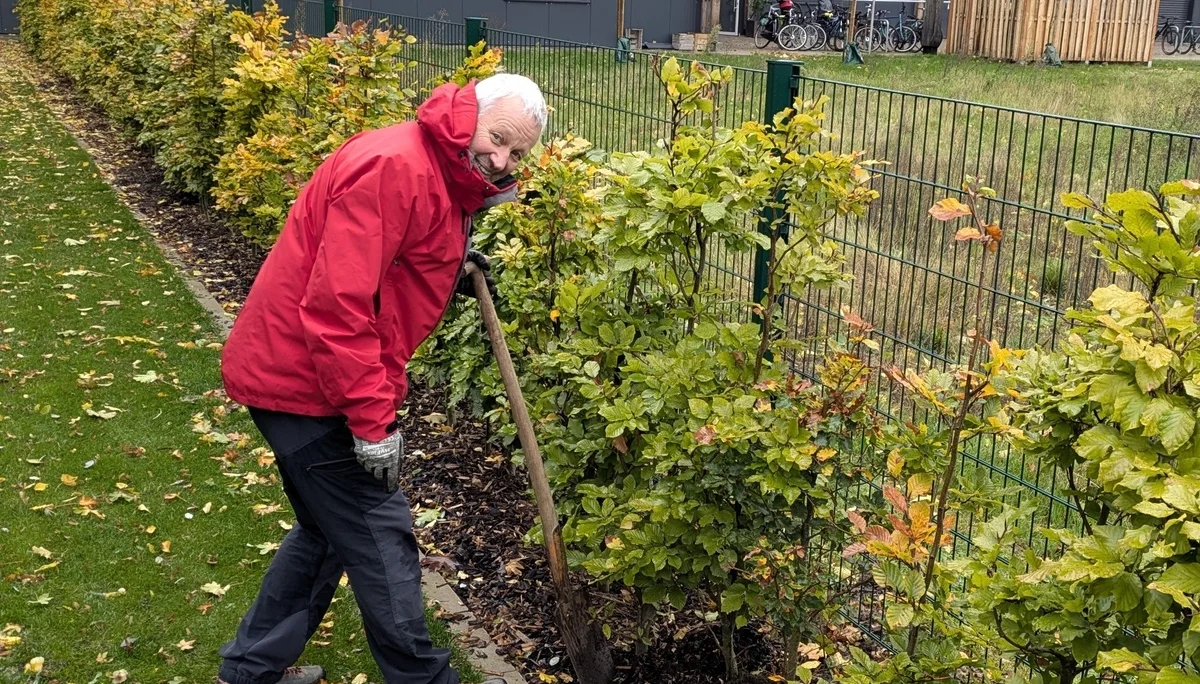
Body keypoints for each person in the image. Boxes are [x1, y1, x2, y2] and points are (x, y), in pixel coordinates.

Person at [216, 73, 547, 684]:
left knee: (326, 531)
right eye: (498, 138)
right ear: (469, 113)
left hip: (300, 372)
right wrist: (372, 425)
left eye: (517, 153)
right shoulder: (396, 167)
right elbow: (336, 310)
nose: (501, 160)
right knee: (380, 538)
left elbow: (396, 251)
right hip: (304, 383)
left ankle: (250, 671)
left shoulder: (434, 167)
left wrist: (452, 258)